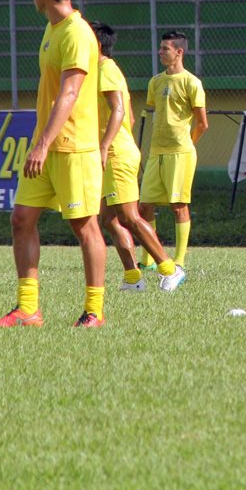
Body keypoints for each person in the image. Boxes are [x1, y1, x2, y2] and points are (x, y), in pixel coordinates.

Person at [0, 0, 107, 328]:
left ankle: (95, 311)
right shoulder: (52, 29)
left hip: (73, 148)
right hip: (48, 145)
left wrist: (41, 145)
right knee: (21, 219)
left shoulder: (77, 33)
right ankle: (28, 309)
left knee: (85, 226)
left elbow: (70, 93)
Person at [90, 21, 184, 292]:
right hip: (115, 151)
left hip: (115, 154)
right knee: (108, 219)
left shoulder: (106, 69)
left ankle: (169, 268)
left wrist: (106, 146)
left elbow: (119, 111)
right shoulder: (95, 71)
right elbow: (129, 117)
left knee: (130, 216)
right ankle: (133, 278)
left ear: (95, 44)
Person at [139, 30, 207, 271]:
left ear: (179, 52)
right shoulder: (155, 81)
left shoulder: (191, 82)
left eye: (165, 49)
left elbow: (202, 123)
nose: (160, 52)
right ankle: (148, 259)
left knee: (179, 205)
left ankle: (178, 260)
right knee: (144, 205)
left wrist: (187, 144)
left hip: (180, 153)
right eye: (160, 48)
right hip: (156, 152)